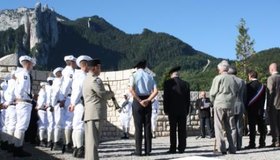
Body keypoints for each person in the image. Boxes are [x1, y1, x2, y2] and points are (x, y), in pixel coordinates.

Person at [83, 59, 114, 160]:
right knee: (93, 142)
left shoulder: (86, 79)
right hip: (95, 114)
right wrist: (111, 94)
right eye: (99, 67)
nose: (100, 69)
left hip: (89, 114)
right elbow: (102, 94)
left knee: (89, 142)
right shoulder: (95, 80)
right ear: (95, 67)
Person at [129, 60, 158, 156]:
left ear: (137, 67)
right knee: (147, 126)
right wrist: (148, 100)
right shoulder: (150, 76)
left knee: (138, 127)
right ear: (145, 67)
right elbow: (156, 91)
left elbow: (131, 90)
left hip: (138, 101)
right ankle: (148, 150)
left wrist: (139, 100)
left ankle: (138, 151)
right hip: (147, 101)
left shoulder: (133, 75)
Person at [209, 60, 238, 155]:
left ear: (221, 69)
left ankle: (221, 148)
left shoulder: (218, 78)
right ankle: (233, 148)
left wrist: (213, 101)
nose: (218, 70)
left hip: (220, 104)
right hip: (230, 104)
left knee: (218, 127)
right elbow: (235, 92)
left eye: (218, 68)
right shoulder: (233, 79)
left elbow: (212, 93)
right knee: (230, 127)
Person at [69, 55, 92, 158]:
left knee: (76, 126)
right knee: (79, 127)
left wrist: (73, 103)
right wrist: (73, 103)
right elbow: (78, 91)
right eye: (89, 65)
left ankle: (76, 148)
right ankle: (80, 149)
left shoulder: (78, 76)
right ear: (86, 65)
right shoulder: (83, 77)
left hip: (78, 103)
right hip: (81, 104)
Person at [163, 66, 190, 154]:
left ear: (171, 74)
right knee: (182, 130)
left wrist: (165, 109)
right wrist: (187, 110)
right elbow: (188, 99)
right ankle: (182, 148)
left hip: (172, 110)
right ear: (178, 74)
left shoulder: (167, 83)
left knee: (173, 130)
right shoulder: (185, 84)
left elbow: (166, 98)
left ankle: (173, 148)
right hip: (183, 110)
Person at [13, 55, 36, 157]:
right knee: (21, 127)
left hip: (22, 102)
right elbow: (21, 88)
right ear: (28, 64)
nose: (32, 66)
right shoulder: (25, 75)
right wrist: (22, 97)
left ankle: (17, 147)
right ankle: (18, 149)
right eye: (31, 64)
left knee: (20, 126)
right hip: (24, 102)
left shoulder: (21, 74)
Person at [245, 70, 267, 149]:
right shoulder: (263, 86)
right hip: (260, 109)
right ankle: (262, 142)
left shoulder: (248, 86)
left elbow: (246, 98)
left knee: (252, 127)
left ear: (250, 76)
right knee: (261, 126)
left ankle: (252, 144)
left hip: (251, 109)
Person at [228, 66, 246, 150]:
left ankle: (233, 145)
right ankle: (239, 145)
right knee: (239, 126)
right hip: (240, 104)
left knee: (232, 126)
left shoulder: (228, 80)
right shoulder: (242, 81)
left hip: (231, 104)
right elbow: (245, 95)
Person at [61, 55, 77, 152]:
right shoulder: (70, 72)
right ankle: (67, 144)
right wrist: (63, 98)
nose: (76, 64)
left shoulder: (64, 71)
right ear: (71, 62)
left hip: (66, 98)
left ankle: (66, 144)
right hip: (69, 97)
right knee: (69, 122)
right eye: (75, 62)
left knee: (67, 121)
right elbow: (67, 85)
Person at [2, 71, 17, 152]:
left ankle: (5, 142)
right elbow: (11, 95)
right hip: (13, 106)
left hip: (8, 107)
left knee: (6, 125)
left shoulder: (7, 84)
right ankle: (10, 144)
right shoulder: (14, 83)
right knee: (12, 125)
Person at [51, 67, 64, 150]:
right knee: (58, 124)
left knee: (61, 124)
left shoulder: (58, 82)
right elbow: (55, 94)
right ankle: (56, 142)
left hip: (60, 104)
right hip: (59, 104)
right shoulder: (57, 82)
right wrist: (53, 104)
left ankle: (59, 141)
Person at [267, 63, 280, 147]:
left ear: (271, 69)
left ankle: (276, 141)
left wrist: (268, 105)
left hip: (274, 104)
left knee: (274, 123)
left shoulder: (271, 78)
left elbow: (270, 92)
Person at [37, 82, 48, 147]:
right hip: (42, 109)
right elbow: (41, 101)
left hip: (43, 110)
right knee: (42, 125)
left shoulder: (42, 92)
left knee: (44, 125)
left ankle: (42, 139)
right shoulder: (42, 92)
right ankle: (41, 140)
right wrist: (39, 107)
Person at [45, 76, 55, 148]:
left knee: (51, 124)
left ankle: (50, 140)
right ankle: (50, 141)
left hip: (50, 106)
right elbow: (49, 98)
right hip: (51, 106)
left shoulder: (47, 88)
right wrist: (51, 105)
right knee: (52, 124)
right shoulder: (50, 88)